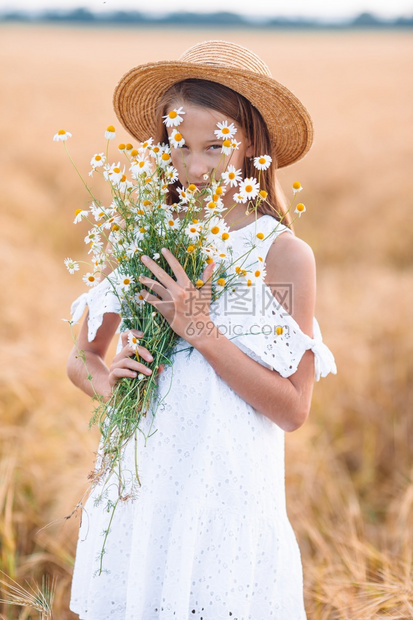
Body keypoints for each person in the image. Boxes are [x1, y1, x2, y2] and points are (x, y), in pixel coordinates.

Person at [68, 40, 336, 619]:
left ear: (253, 145)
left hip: (227, 500)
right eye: (177, 147)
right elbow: (83, 356)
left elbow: (292, 408)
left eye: (216, 147)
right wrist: (108, 383)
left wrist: (200, 329)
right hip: (141, 492)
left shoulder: (280, 257)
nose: (195, 168)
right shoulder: (144, 234)